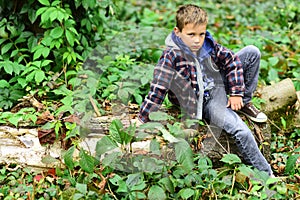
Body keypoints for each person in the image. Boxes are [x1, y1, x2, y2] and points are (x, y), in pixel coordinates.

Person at [136, 4, 273, 176]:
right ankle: (267, 175)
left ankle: (244, 102)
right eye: (191, 34)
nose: (197, 40)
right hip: (205, 100)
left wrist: (236, 92)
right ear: (177, 32)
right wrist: (143, 119)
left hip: (216, 83)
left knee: (252, 52)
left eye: (201, 34)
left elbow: (231, 61)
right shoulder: (171, 56)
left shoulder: (207, 44)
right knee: (241, 130)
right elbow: (158, 88)